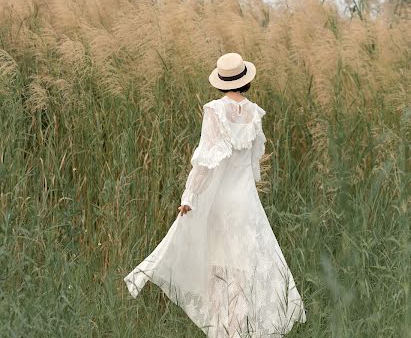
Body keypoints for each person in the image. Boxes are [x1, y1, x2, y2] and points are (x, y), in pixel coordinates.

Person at [123, 52, 307, 337]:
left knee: (221, 268)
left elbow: (206, 160)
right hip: (246, 203)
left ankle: (224, 331)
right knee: (245, 268)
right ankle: (242, 329)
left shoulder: (215, 110)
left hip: (221, 204)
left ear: (222, 82)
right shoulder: (254, 113)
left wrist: (189, 196)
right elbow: (254, 164)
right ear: (245, 80)